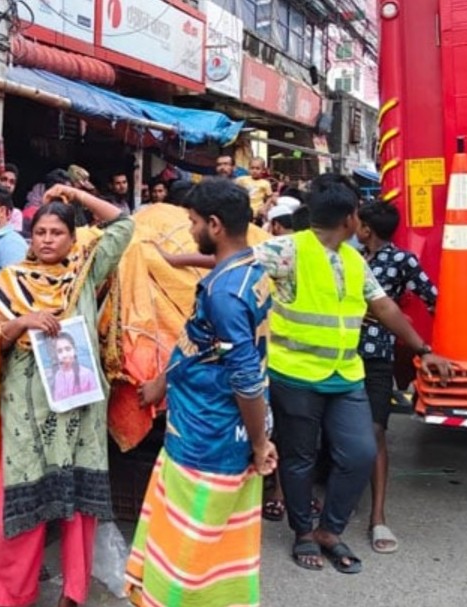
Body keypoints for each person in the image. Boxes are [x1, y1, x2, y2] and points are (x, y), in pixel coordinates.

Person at [146, 174, 453, 573]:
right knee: (299, 459)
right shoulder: (288, 249)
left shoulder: (353, 260)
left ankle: (330, 530)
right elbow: (236, 261)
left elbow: (384, 307)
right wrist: (180, 262)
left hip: (345, 376)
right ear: (350, 218)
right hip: (294, 376)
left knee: (360, 453)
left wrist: (423, 350)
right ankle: (304, 532)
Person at [0, 183, 133, 607]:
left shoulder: (85, 273)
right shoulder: (9, 281)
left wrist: (76, 195)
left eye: (57, 232)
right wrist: (23, 322)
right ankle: (9, 595)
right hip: (24, 410)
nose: (46, 240)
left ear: (73, 239)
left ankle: (73, 592)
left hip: (78, 408)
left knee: (78, 502)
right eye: (40, 232)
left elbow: (122, 225)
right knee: (19, 499)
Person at [125, 178, 277, 607]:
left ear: (214, 224)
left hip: (208, 437)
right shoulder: (250, 269)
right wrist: (163, 381)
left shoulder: (224, 295)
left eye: (193, 222)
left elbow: (244, 378)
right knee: (222, 541)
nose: (190, 230)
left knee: (190, 545)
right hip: (219, 428)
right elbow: (200, 343)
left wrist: (260, 443)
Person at [356, 201, 438, 555]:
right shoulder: (350, 257)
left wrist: (434, 346)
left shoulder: (403, 260)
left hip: (377, 357)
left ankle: (378, 517)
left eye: (358, 223)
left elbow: (433, 297)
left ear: (367, 229)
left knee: (376, 431)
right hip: (340, 354)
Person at [49, 332, 97, 401]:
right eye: (60, 351)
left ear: (75, 350)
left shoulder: (87, 374)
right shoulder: (58, 375)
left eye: (68, 349)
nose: (64, 355)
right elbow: (57, 399)